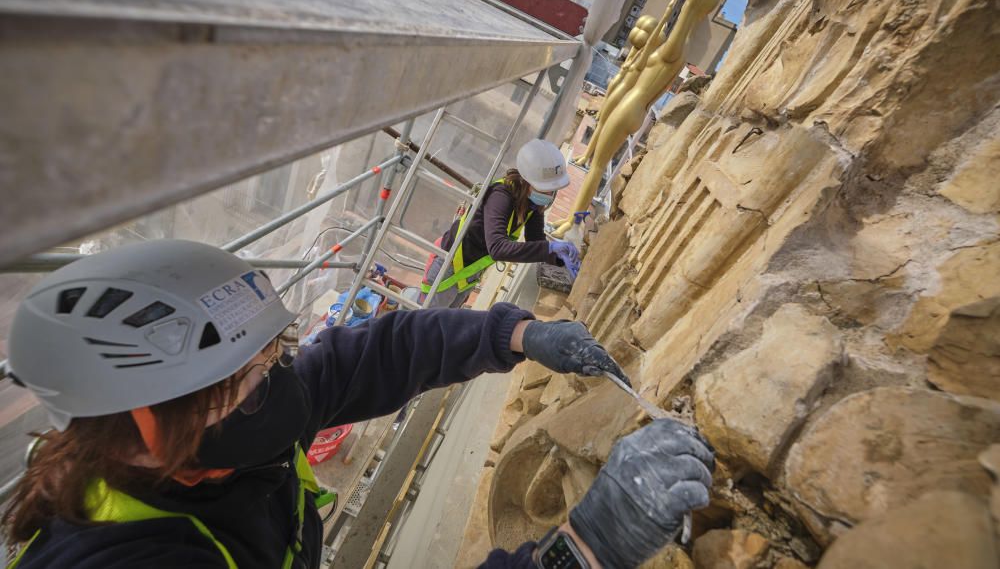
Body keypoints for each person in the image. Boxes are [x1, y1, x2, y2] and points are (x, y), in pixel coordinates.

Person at [2, 240, 713, 568]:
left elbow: (375, 354)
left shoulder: (218, 438)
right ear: (142, 428)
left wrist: (519, 333)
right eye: (246, 381)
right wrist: (581, 552)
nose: (276, 386)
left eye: (270, 358)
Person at [421, 139, 583, 308]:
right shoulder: (501, 196)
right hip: (448, 267)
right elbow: (497, 248)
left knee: (442, 325)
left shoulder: (531, 202)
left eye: (552, 189)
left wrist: (561, 258)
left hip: (469, 272)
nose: (549, 194)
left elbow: (535, 240)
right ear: (527, 180)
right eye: (545, 188)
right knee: (423, 326)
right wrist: (550, 248)